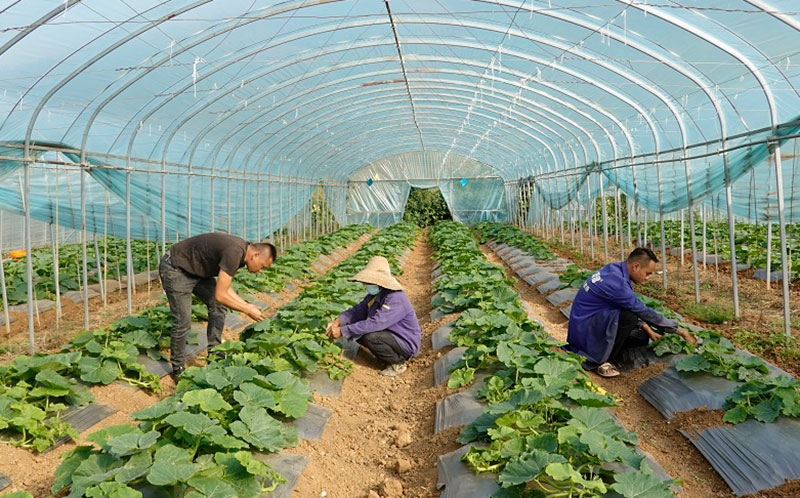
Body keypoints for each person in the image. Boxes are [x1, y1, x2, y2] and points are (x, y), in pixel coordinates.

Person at [159, 232, 276, 380]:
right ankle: (178, 367)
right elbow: (220, 295)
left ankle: (215, 355)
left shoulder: (241, 252)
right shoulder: (235, 252)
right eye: (262, 266)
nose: (260, 271)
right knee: (183, 321)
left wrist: (245, 304)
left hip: (197, 271)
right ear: (256, 255)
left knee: (218, 306)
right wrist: (247, 309)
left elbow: (225, 287)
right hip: (176, 269)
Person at [565, 247, 696, 377]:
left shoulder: (615, 269)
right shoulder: (618, 285)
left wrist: (648, 330)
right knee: (629, 318)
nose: (648, 278)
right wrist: (680, 331)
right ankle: (601, 361)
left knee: (642, 337)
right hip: (585, 330)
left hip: (585, 324)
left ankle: (608, 349)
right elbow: (642, 310)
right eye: (648, 273)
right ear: (636, 266)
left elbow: (627, 305)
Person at [325, 256, 421, 377]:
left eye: (369, 282)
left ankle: (398, 363)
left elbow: (375, 323)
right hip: (391, 335)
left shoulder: (396, 298)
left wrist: (343, 331)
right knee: (362, 334)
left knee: (371, 337)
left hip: (405, 343)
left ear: (380, 282)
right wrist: (338, 321)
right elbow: (359, 310)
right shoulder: (377, 294)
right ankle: (385, 358)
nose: (366, 285)